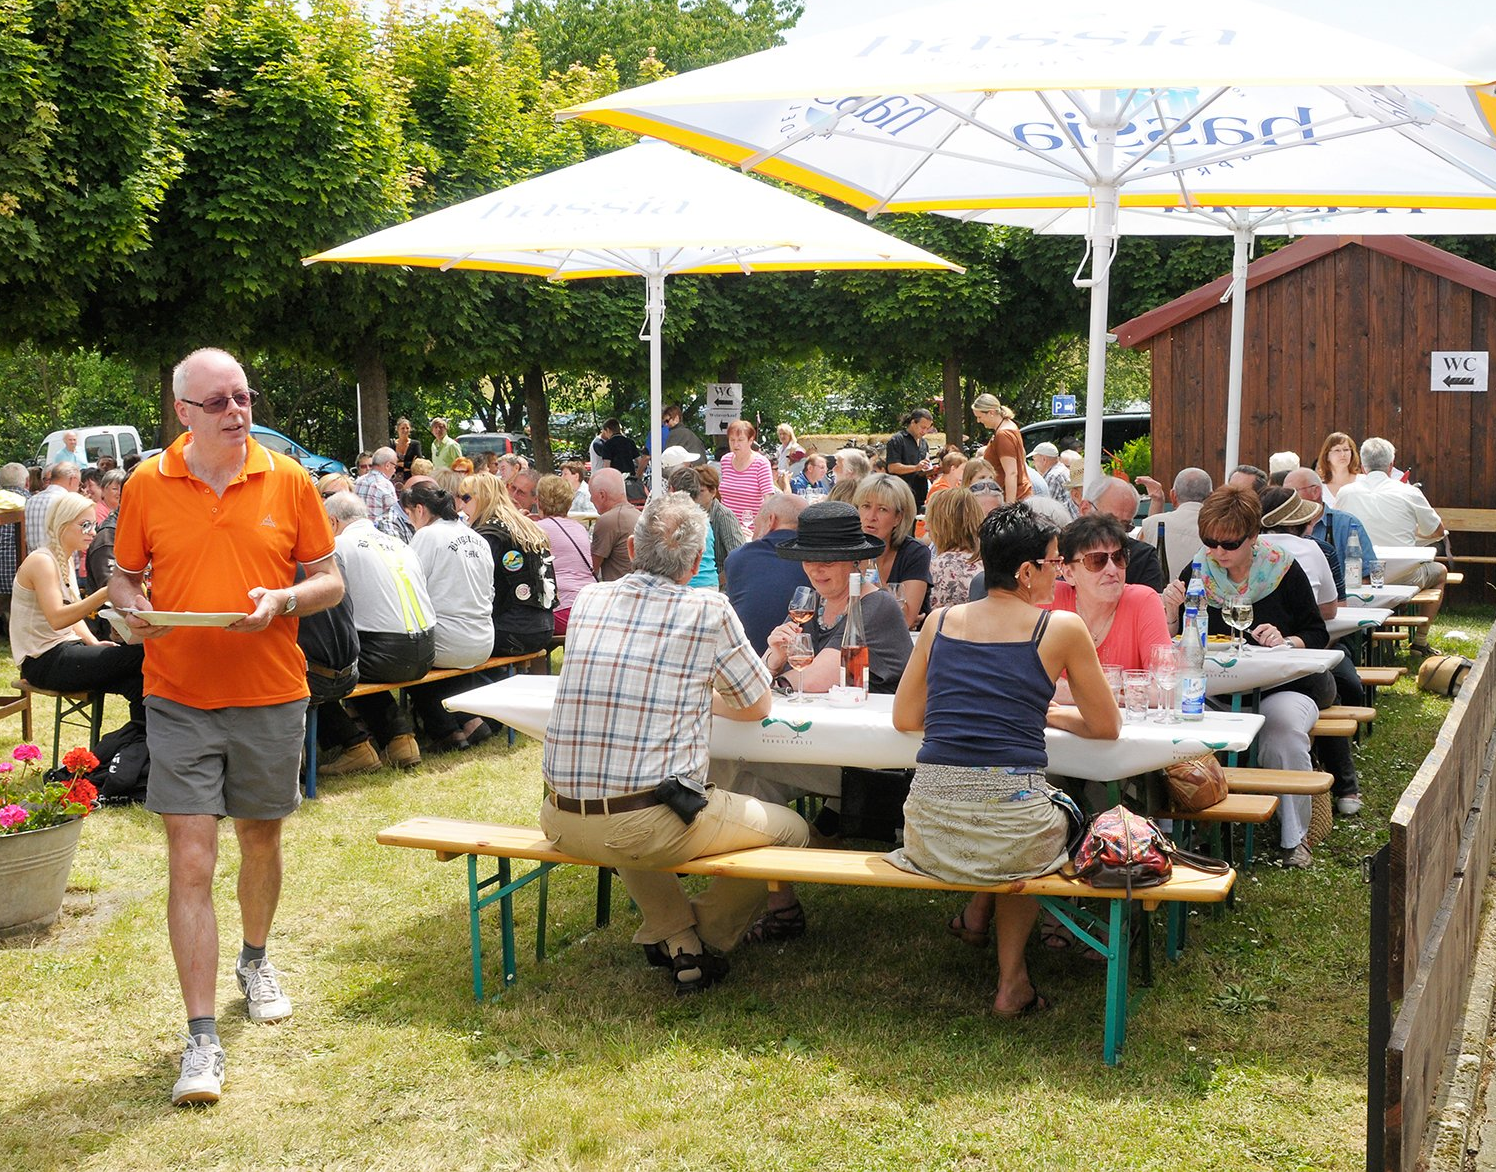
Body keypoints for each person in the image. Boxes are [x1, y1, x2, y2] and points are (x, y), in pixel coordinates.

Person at [110, 348, 343, 1106]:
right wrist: (129, 608)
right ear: (183, 412)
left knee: (260, 839)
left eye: (243, 396)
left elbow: (330, 578)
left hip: (271, 692)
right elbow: (123, 574)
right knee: (190, 858)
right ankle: (201, 1039)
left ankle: (255, 956)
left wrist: (284, 599)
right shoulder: (148, 482)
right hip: (176, 693)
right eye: (217, 401)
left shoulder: (288, 477)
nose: (236, 411)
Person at [540, 491, 809, 994]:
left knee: (633, 793)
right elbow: (756, 705)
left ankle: (678, 941)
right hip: (640, 825)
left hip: (559, 817)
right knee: (791, 830)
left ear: (633, 549)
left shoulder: (591, 600)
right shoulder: (708, 608)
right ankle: (703, 935)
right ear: (695, 563)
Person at [890, 504, 1120, 1017]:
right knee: (1027, 827)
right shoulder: (1059, 628)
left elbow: (905, 717)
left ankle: (976, 916)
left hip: (928, 831)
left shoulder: (939, 621)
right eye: (1054, 563)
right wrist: (1051, 714)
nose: (1058, 573)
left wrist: (969, 714)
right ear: (1025, 571)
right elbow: (1107, 727)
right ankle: (1011, 980)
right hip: (1014, 830)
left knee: (1012, 823)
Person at [713, 501, 912, 940]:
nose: (816, 569)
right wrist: (776, 656)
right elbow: (766, 677)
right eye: (809, 558)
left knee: (746, 773)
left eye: (828, 560)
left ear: (853, 560)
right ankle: (769, 897)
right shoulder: (810, 604)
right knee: (737, 770)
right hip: (819, 745)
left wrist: (780, 664)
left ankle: (758, 900)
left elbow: (814, 679)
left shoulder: (871, 608)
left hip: (872, 763)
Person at [1160, 486, 1332, 868]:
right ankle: (1179, 833)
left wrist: (1286, 640)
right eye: (1210, 542)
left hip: (1278, 685)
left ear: (1253, 538)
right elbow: (1178, 637)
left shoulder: (1281, 568)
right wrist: (1171, 611)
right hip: (1216, 688)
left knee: (1283, 729)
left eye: (1229, 543)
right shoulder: (1200, 569)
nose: (1218, 552)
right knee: (1175, 729)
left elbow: (1317, 631)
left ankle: (1295, 838)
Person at [315, 492, 436, 772]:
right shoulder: (398, 543)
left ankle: (354, 745)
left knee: (325, 670)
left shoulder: (338, 547)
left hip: (384, 652)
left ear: (331, 522)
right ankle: (400, 740)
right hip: (427, 648)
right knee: (352, 660)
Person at [11, 492, 146, 721]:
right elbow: (58, 618)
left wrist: (93, 642)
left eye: (93, 525)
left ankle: (138, 745)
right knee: (142, 654)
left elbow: (71, 615)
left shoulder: (63, 558)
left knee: (141, 682)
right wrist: (106, 592)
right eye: (85, 525)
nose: (92, 532)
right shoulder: (42, 561)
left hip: (62, 653)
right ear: (62, 524)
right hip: (43, 661)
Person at [402, 480, 497, 753]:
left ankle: (446, 731)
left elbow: (410, 586)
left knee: (406, 660)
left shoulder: (427, 537)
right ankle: (470, 720)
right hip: (483, 639)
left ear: (419, 510)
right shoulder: (475, 536)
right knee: (446, 653)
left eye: (409, 515)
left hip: (451, 643)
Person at [1334, 436, 1446, 651]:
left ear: (1363, 466)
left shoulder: (1346, 492)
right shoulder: (1409, 492)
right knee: (1440, 572)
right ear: (1391, 465)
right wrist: (1415, 537)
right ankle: (1420, 641)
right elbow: (1437, 531)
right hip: (1402, 576)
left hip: (1358, 575)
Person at [1047, 514, 1170, 700]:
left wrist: (1070, 692)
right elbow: (1023, 681)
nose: (1112, 570)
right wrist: (1110, 694)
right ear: (1068, 572)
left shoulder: (1143, 601)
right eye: (1097, 560)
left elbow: (1165, 687)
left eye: (1118, 558)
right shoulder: (1049, 600)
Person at [459, 472, 556, 655]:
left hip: (510, 630)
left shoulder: (487, 535)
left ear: (482, 497)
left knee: (449, 643)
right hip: (544, 627)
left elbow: (478, 590)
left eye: (466, 497)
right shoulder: (527, 526)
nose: (462, 505)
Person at [724, 493, 809, 655]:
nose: (755, 532)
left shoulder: (739, 558)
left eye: (756, 524)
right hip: (803, 656)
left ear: (771, 520)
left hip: (748, 660)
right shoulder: (819, 560)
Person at [855, 472, 931, 627]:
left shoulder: (914, 553)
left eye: (882, 509)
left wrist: (870, 565)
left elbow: (904, 620)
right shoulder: (847, 550)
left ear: (898, 518)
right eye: (866, 506)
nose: (871, 516)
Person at [534, 474, 595, 636]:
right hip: (589, 606)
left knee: (524, 623)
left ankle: (537, 662)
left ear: (539, 501)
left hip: (563, 610)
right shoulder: (579, 528)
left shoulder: (537, 530)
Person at [1078, 477, 1164, 591]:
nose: (1114, 533)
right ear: (1085, 509)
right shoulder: (1060, 551)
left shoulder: (1142, 557)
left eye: (1124, 526)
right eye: (1109, 522)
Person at [1136, 467, 1213, 581]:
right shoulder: (1218, 531)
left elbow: (1142, 553)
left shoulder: (1151, 524)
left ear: (1173, 495)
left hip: (1159, 595)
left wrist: (1157, 501)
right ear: (1211, 497)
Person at [924, 487, 984, 609]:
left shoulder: (940, 566)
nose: (926, 527)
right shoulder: (991, 559)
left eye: (930, 520)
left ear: (942, 525)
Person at [694, 463, 746, 586]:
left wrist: (714, 582)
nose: (695, 496)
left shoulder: (724, 517)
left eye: (700, 491)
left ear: (713, 492)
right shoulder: (691, 513)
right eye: (692, 491)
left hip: (720, 586)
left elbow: (738, 559)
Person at [972, 392, 1030, 503]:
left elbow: (1011, 473)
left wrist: (1009, 506)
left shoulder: (1003, 434)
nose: (978, 421)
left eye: (979, 417)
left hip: (1016, 497)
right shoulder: (1009, 426)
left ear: (991, 412)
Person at [718, 419, 774, 528]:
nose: (735, 444)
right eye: (732, 440)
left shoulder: (761, 463)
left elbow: (768, 499)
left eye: (740, 440)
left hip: (750, 528)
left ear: (750, 440)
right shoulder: (725, 460)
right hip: (725, 526)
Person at [589, 467, 639, 581]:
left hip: (619, 592)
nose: (591, 500)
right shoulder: (638, 515)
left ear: (602, 495)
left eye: (591, 495)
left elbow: (591, 568)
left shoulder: (608, 520)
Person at [356, 447, 413, 541]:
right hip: (378, 536)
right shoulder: (385, 485)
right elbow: (395, 515)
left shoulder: (358, 482)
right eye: (395, 466)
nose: (395, 470)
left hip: (359, 535)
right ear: (387, 465)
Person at [883, 407, 935, 511]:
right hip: (902, 494)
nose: (924, 431)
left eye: (927, 428)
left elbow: (923, 467)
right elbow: (892, 467)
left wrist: (931, 471)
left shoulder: (924, 443)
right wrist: (916, 467)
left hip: (920, 494)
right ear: (913, 422)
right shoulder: (897, 440)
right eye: (922, 427)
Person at [26, 460, 80, 559]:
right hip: (62, 565)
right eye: (79, 484)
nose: (78, 488)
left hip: (33, 564)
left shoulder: (31, 501)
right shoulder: (69, 501)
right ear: (73, 480)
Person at [1315, 431, 1362, 505]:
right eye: (1337, 450)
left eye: (1346, 450)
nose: (1343, 454)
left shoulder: (1363, 482)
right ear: (1327, 455)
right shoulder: (1319, 488)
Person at [392, 417, 422, 481]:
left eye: (407, 428)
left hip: (410, 478)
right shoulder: (392, 444)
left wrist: (398, 464)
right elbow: (389, 463)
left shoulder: (415, 444)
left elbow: (418, 463)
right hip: (394, 478)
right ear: (397, 429)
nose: (405, 430)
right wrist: (408, 465)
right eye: (402, 428)